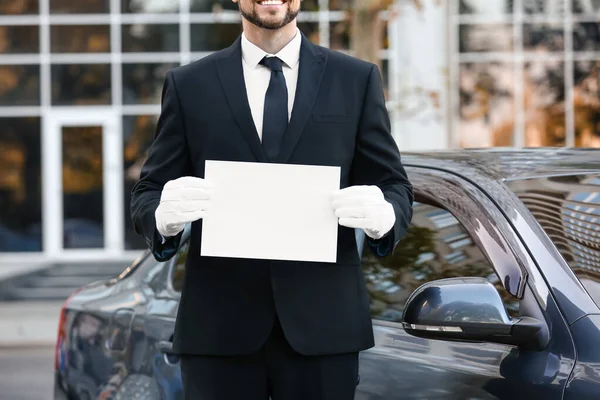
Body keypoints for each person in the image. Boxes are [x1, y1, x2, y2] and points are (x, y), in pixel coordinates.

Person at [130, 0, 414, 396]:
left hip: (323, 331)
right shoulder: (189, 84)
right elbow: (148, 191)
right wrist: (162, 217)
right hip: (218, 332)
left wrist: (385, 215)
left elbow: (395, 186)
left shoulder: (355, 79)